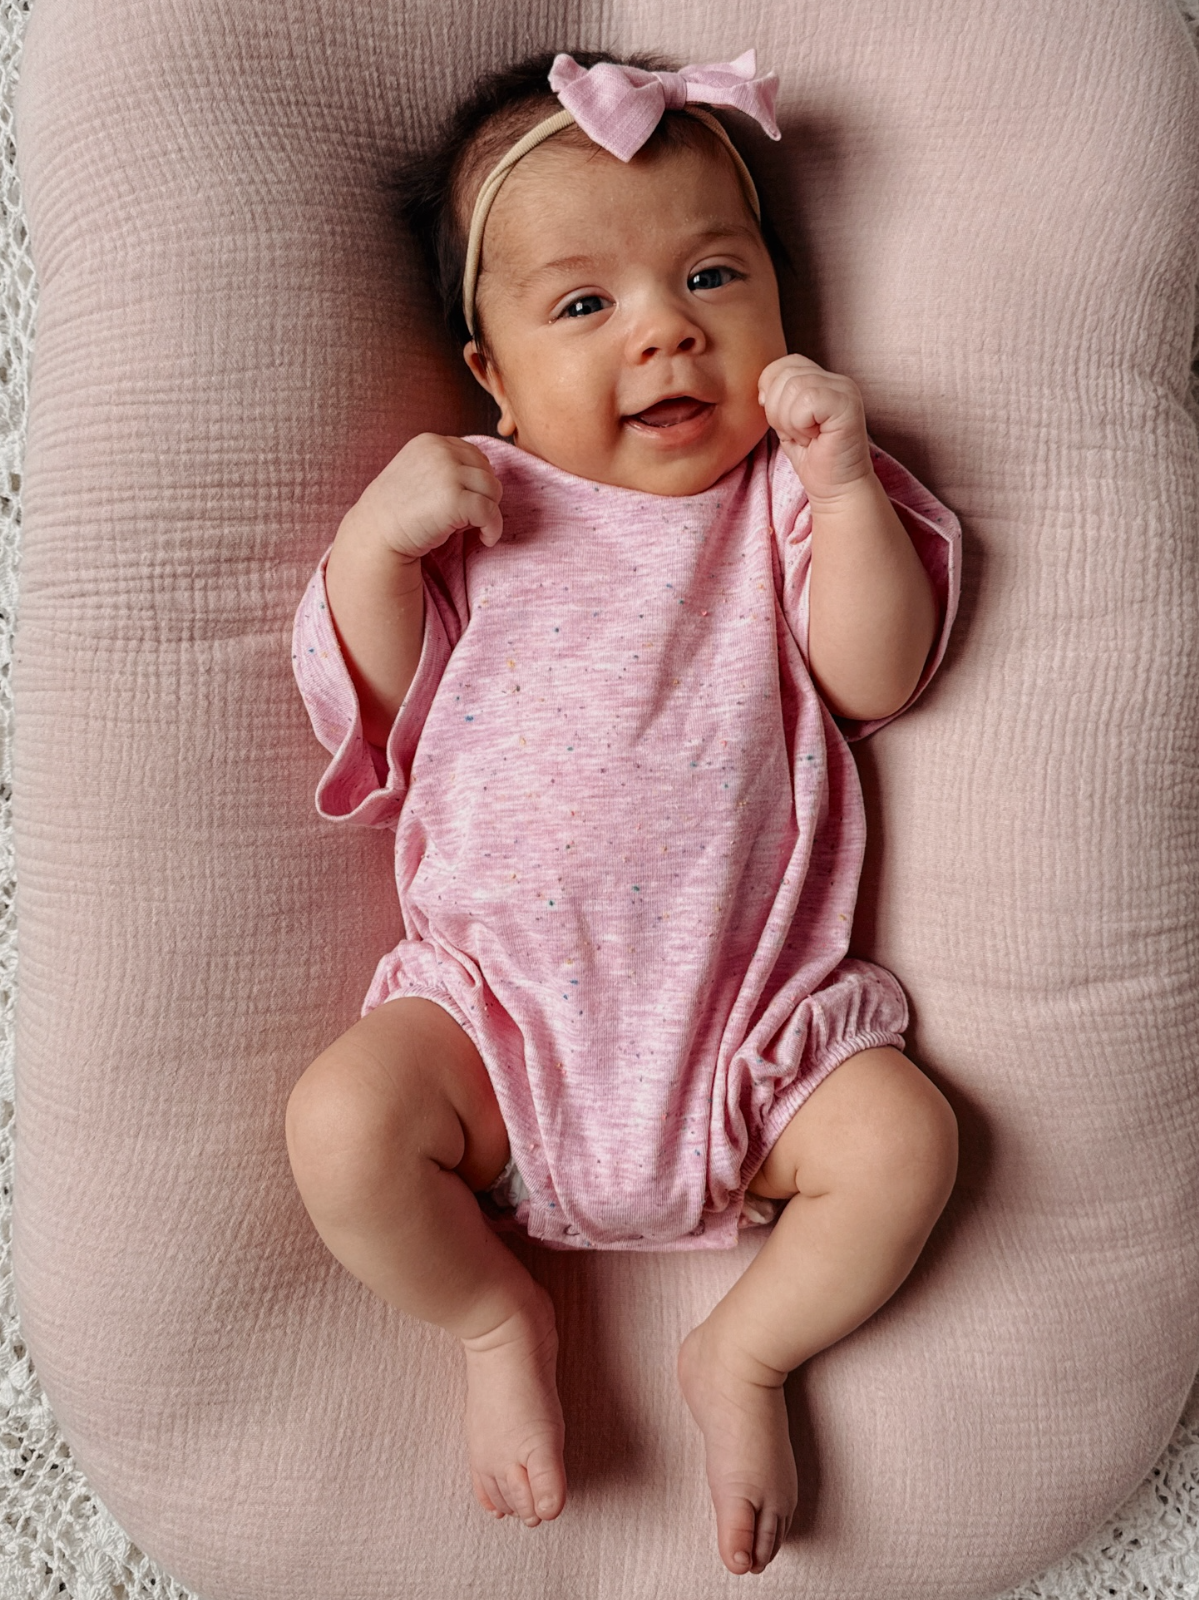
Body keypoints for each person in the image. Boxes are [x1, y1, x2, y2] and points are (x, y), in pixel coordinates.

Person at [285, 48, 961, 1578]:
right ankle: (489, 1314)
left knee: (905, 1146)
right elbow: (378, 713)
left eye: (714, 274)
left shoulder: (782, 503)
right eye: (583, 304)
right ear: (492, 373)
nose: (664, 327)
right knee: (340, 1127)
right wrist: (377, 553)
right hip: (494, 1036)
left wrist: (848, 488)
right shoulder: (482, 508)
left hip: (749, 1038)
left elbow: (880, 672)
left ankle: (744, 1354)